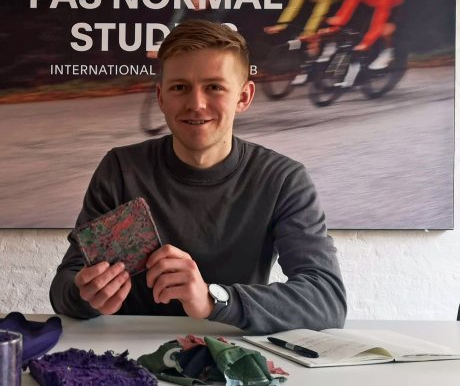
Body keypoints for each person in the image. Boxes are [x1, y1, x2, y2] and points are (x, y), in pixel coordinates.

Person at [49, 19, 346, 334]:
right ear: (161, 97)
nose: (196, 104)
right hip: (127, 352)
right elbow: (65, 286)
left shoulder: (283, 180)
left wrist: (212, 299)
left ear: (243, 97)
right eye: (180, 87)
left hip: (232, 354)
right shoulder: (122, 169)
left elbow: (326, 300)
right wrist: (85, 297)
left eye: (214, 87)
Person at [264, 0, 345, 83]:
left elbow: (319, 12)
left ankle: (330, 46)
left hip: (336, 4)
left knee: (314, 32)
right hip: (315, 3)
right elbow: (293, 7)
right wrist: (280, 25)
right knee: (306, 33)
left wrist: (309, 32)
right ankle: (309, 66)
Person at [325, 0, 405, 71]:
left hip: (394, 7)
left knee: (384, 29)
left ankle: (388, 51)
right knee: (359, 27)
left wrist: (366, 43)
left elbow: (378, 21)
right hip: (372, 4)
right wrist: (336, 23)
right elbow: (346, 11)